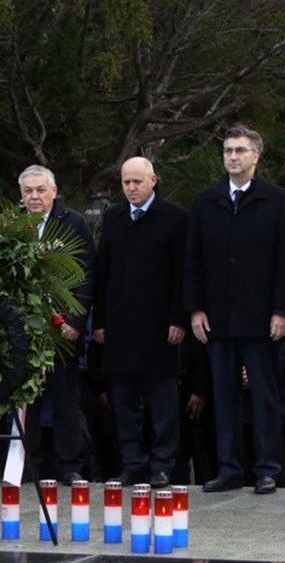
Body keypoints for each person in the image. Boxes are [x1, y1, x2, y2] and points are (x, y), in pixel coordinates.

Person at [184, 124, 285, 494]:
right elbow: (194, 259)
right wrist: (196, 309)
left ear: (256, 156)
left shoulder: (277, 200)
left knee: (264, 394)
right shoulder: (206, 201)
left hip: (261, 316)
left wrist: (282, 310)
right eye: (228, 151)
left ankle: (267, 468)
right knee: (224, 394)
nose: (232, 157)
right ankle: (229, 468)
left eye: (239, 151)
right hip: (218, 316)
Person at [92, 156, 188, 488]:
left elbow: (182, 275)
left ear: (153, 181)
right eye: (126, 182)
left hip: (160, 326)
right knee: (124, 402)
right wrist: (100, 320)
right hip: (120, 325)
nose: (131, 188)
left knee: (162, 404)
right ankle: (133, 462)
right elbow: (103, 272)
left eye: (137, 182)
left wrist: (179, 318)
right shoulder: (114, 218)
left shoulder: (175, 218)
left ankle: (163, 464)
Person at [19, 164, 95, 485]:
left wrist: (76, 321)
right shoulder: (14, 226)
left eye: (40, 190)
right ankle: (30, 464)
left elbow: (87, 273)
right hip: (24, 327)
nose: (34, 197)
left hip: (63, 327)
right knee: (28, 398)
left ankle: (68, 465)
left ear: (54, 191)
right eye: (28, 191)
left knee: (65, 398)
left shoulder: (73, 223)